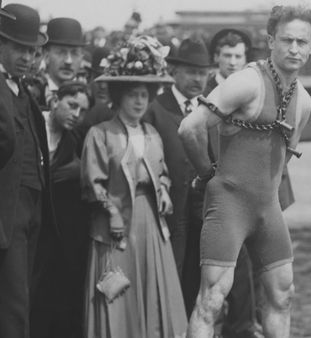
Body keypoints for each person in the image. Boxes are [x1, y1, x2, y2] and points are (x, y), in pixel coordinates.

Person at [180, 5, 311, 338]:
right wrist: (207, 173)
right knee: (212, 299)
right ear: (271, 40)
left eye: (303, 42)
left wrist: (264, 188)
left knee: (283, 294)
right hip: (228, 204)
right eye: (287, 40)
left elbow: (283, 158)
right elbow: (190, 128)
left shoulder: (304, 102)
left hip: (267, 207)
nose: (295, 49)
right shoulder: (246, 82)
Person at [80, 36, 187, 338]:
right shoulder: (100, 134)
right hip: (115, 224)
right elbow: (92, 182)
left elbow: (162, 172)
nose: (139, 101)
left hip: (151, 222)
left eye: (144, 94)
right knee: (118, 289)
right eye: (132, 95)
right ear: (118, 97)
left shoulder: (152, 133)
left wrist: (164, 190)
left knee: (153, 286)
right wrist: (110, 211)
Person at [0, 4, 55, 338]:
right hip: (7, 210)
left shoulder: (21, 89)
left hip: (32, 207)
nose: (27, 57)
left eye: (32, 51)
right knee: (14, 302)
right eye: (19, 48)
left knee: (22, 295)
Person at [144, 38, 212, 286]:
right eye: (191, 72)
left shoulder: (210, 111)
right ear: (174, 72)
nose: (197, 79)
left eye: (203, 73)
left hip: (201, 210)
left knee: (198, 275)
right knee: (170, 272)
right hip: (169, 209)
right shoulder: (155, 108)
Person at [31, 81, 91, 338]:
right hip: (26, 221)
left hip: (57, 232)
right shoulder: (31, 126)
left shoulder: (75, 140)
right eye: (72, 105)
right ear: (55, 101)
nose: (77, 114)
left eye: (83, 110)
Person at [42, 17, 86, 108]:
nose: (68, 61)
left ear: (82, 58)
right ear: (46, 56)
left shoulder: (90, 103)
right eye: (61, 52)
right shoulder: (30, 96)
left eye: (75, 53)